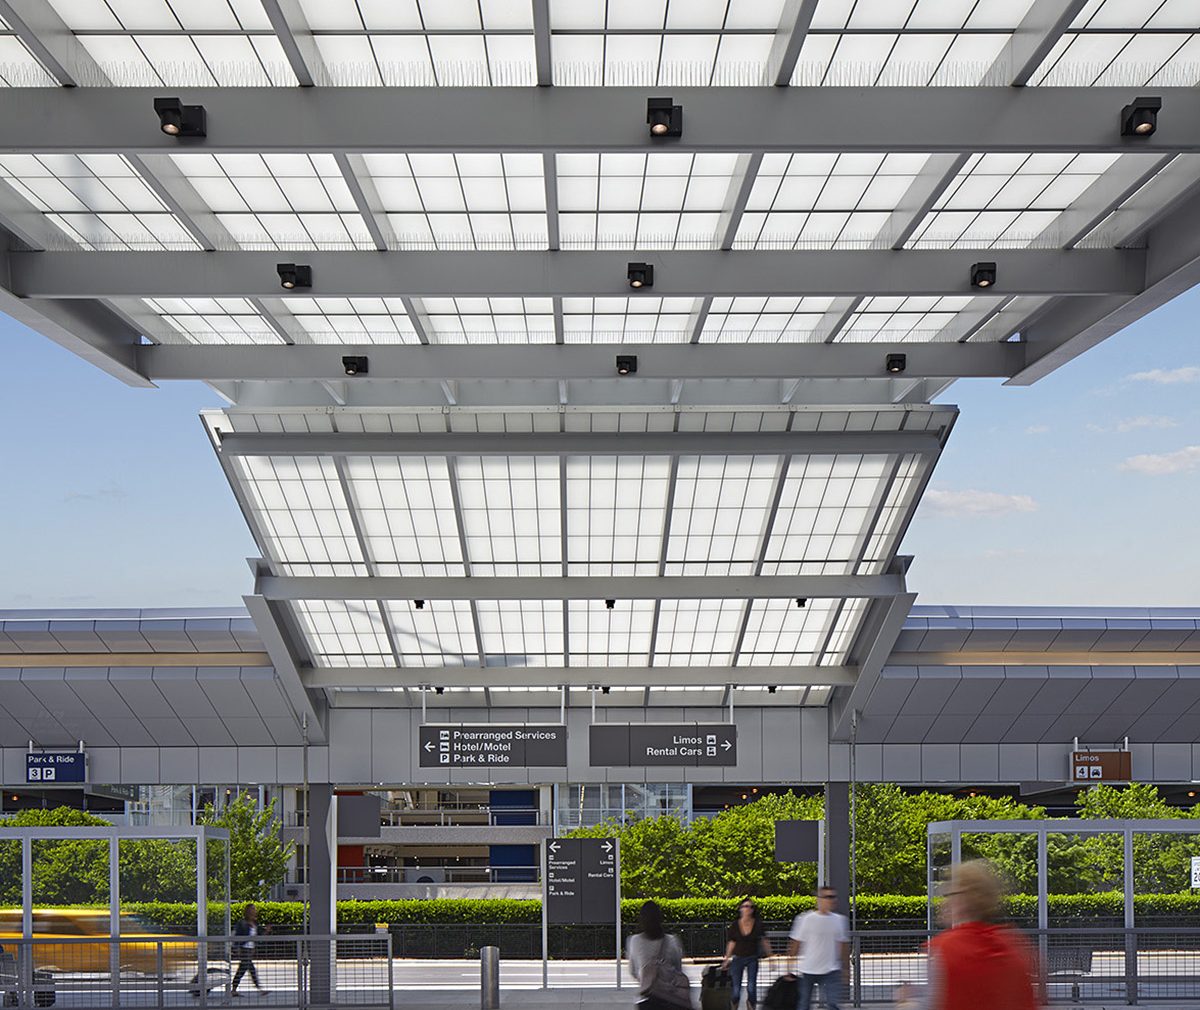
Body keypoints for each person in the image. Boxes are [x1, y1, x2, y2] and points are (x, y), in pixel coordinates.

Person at [911, 860, 1037, 1010]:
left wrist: (905, 1003)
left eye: (949, 894)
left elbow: (933, 1004)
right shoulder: (1014, 948)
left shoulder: (945, 950)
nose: (944, 902)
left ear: (963, 900)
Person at [787, 886, 848, 1010]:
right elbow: (795, 944)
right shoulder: (805, 919)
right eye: (828, 897)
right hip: (809, 969)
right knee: (803, 1005)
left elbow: (843, 946)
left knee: (832, 1005)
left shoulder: (839, 920)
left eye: (834, 897)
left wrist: (846, 970)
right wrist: (789, 968)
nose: (832, 900)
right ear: (819, 900)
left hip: (832, 970)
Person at [627, 900, 693, 1009]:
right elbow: (678, 969)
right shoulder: (673, 941)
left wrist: (649, 979)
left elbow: (633, 971)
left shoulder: (634, 941)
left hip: (647, 1000)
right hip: (672, 1000)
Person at [721, 898, 771, 1008]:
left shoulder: (758, 924)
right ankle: (734, 1005)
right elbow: (731, 942)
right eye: (746, 906)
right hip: (738, 958)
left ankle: (751, 1005)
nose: (748, 909)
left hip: (752, 958)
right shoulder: (735, 925)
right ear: (740, 909)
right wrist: (726, 959)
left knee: (752, 988)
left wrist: (770, 955)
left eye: (751, 907)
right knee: (736, 991)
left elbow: (764, 940)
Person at [231, 904, 267, 997]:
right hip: (244, 949)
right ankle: (259, 988)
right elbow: (237, 936)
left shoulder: (255, 923)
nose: (254, 911)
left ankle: (234, 989)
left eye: (254, 909)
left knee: (243, 969)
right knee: (249, 969)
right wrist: (236, 948)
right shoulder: (242, 923)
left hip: (251, 949)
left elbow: (258, 936)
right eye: (252, 909)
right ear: (248, 911)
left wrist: (266, 931)